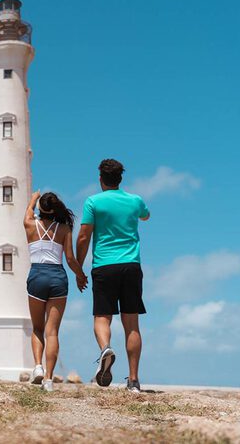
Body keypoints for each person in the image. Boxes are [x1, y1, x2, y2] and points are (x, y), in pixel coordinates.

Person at [76, 159, 150, 393]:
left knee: (102, 317)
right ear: (120, 178)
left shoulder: (93, 202)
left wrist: (78, 267)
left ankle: (106, 348)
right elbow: (146, 216)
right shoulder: (135, 200)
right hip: (131, 265)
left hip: (104, 266)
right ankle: (134, 381)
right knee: (132, 324)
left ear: (101, 179)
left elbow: (84, 237)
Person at [24, 191, 87, 392]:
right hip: (58, 277)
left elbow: (28, 211)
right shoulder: (64, 228)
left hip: (37, 276)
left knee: (37, 328)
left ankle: (38, 367)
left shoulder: (30, 224)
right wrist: (81, 275)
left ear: (40, 209)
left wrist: (34, 198)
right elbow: (70, 259)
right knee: (52, 332)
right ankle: (49, 380)